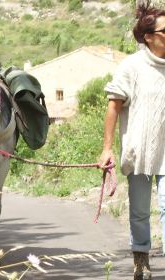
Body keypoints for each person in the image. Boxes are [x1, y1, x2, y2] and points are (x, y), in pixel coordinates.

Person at [99, 1, 165, 279]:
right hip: (139, 149)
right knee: (139, 211)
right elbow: (113, 106)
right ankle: (141, 258)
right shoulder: (131, 66)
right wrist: (107, 148)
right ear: (149, 37)